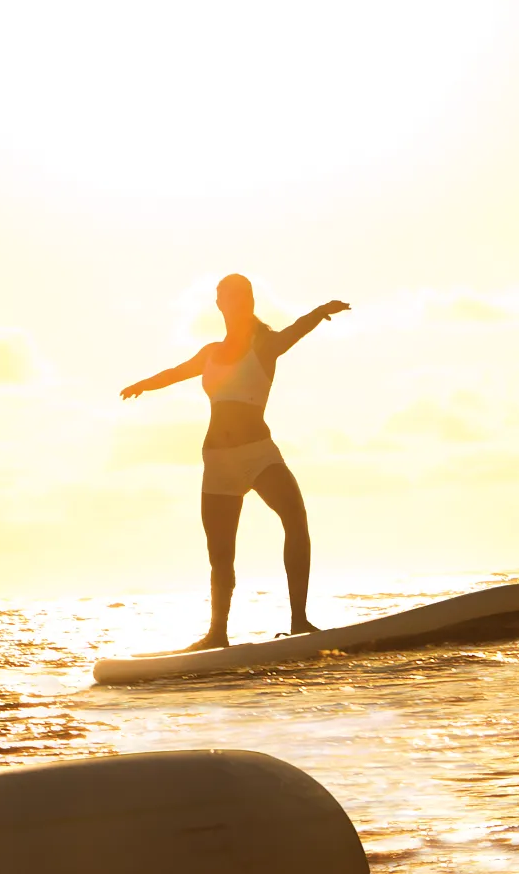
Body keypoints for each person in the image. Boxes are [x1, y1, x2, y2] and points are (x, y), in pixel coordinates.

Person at [120, 275, 348, 651]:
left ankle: (299, 620)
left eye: (242, 297)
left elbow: (295, 330)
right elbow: (176, 372)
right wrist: (142, 384)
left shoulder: (266, 344)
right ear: (220, 304)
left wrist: (320, 312)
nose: (236, 303)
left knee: (295, 517)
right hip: (217, 461)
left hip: (258, 452)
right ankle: (217, 634)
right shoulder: (210, 352)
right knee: (220, 552)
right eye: (228, 297)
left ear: (250, 301)